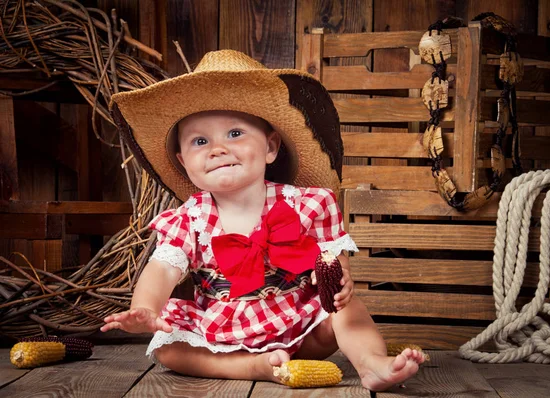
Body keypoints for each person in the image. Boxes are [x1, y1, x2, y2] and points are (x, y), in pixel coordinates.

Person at [102, 49, 425, 391]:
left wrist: (338, 277)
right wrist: (145, 308)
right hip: (222, 334)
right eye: (200, 141)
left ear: (271, 147)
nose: (218, 149)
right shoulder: (189, 220)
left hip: (300, 327)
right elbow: (163, 269)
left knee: (344, 309)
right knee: (168, 348)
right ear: (184, 163)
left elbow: (331, 258)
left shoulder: (308, 205)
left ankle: (370, 363)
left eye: (235, 134)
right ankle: (252, 366)